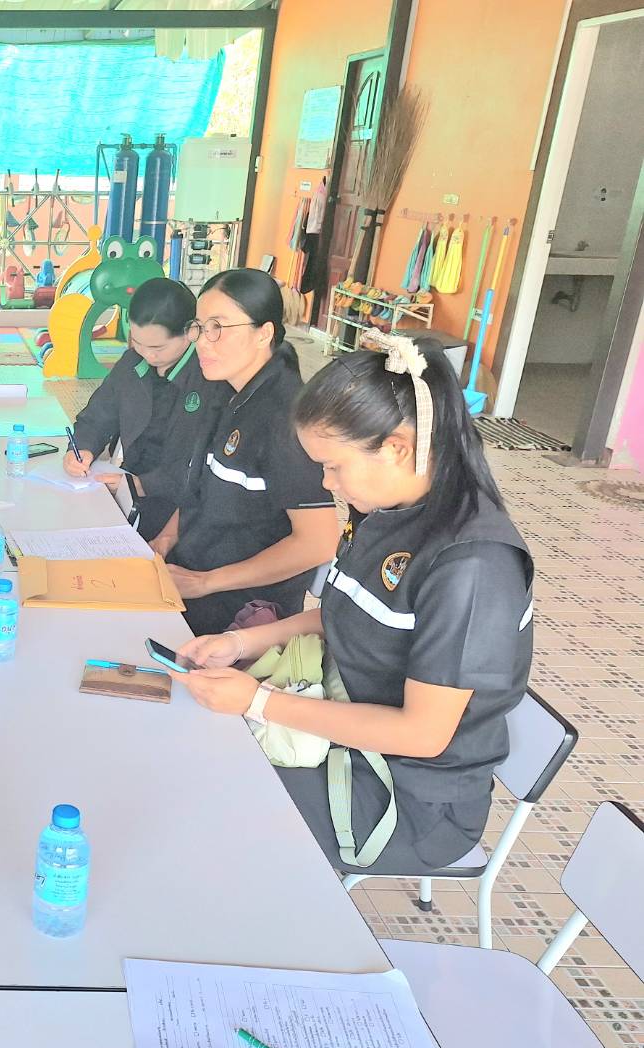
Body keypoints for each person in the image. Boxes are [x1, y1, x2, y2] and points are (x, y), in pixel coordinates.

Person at [171, 332, 533, 873]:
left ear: (397, 448)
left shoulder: (472, 567)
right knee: (192, 752)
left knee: (210, 808)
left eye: (334, 466)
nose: (326, 482)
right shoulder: (386, 511)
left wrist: (258, 702)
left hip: (410, 797)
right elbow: (344, 614)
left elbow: (422, 734)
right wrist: (240, 642)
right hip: (347, 730)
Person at [150, 268, 339, 636]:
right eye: (200, 327)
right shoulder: (226, 388)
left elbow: (318, 543)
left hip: (240, 614)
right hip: (189, 578)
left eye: (218, 327)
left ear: (263, 333)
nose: (203, 342)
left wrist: (206, 582)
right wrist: (166, 538)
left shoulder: (284, 417)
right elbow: (200, 483)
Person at [63, 277, 218, 538]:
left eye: (157, 347)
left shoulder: (209, 376)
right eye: (137, 341)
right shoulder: (132, 362)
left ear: (191, 332)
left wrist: (141, 485)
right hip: (128, 488)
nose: (147, 354)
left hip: (182, 506)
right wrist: (82, 448)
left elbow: (199, 466)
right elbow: (98, 415)